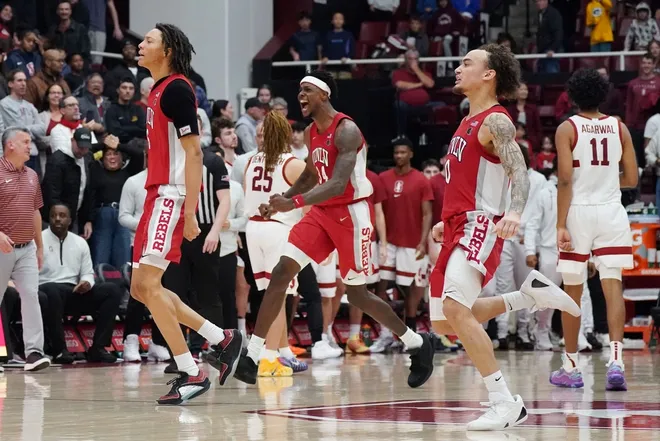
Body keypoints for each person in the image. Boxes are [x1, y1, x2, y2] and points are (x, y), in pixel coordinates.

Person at [229, 70, 435, 388]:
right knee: (282, 271)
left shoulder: (347, 130)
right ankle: (253, 356)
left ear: (324, 95)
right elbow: (312, 174)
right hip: (322, 215)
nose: (301, 96)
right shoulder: (313, 131)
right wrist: (281, 198)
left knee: (358, 295)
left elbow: (338, 184)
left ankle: (416, 343)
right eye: (299, 90)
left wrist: (293, 202)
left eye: (307, 90)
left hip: (351, 216)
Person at [427, 45, 580, 430]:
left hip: (481, 223)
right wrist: (447, 218)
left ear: (489, 74)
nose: (459, 68)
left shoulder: (497, 121)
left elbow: (521, 171)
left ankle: (504, 401)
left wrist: (514, 212)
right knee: (445, 322)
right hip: (458, 224)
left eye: (467, 63)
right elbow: (467, 180)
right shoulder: (466, 120)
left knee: (457, 309)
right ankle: (528, 296)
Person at [132, 23, 241, 405]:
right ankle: (220, 337)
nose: (140, 44)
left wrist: (191, 211)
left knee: (148, 286)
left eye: (148, 40)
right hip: (156, 194)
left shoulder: (178, 89)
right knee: (141, 288)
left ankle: (191, 369)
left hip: (171, 195)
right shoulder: (159, 89)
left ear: (166, 51)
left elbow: (195, 154)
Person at [552, 68, 638, 391]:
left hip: (578, 210)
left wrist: (560, 223)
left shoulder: (567, 128)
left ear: (572, 97)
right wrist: (603, 182)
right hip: (612, 210)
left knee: (573, 288)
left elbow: (564, 180)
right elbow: (631, 179)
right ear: (604, 96)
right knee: (612, 285)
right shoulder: (620, 127)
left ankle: (571, 367)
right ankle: (616, 362)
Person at [244, 110, 309, 376]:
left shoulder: (250, 162)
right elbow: (309, 205)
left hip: (253, 229)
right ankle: (269, 358)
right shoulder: (294, 163)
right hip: (278, 230)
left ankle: (282, 352)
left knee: (272, 295)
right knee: (279, 296)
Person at [39, 204, 123, 363]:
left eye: (62, 215)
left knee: (111, 290)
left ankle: (98, 348)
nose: (57, 219)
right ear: (48, 218)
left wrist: (86, 283)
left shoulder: (80, 243)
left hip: (73, 291)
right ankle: (58, 350)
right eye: (53, 215)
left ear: (70, 220)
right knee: (52, 290)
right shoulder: (39, 240)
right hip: (46, 291)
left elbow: (87, 272)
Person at [0, 127, 50, 372]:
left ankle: (33, 352)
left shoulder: (31, 174)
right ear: (10, 145)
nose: (30, 146)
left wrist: (39, 246)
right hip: (1, 247)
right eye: (26, 142)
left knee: (31, 296)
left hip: (27, 247)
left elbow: (35, 211)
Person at [378, 137, 433, 338]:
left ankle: (410, 332)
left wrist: (422, 241)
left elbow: (427, 213)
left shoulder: (421, 180)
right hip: (388, 242)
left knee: (412, 288)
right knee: (381, 286)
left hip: (412, 243)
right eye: (396, 153)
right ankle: (385, 332)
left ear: (411, 154)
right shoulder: (383, 178)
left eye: (403, 152)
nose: (399, 156)